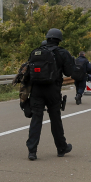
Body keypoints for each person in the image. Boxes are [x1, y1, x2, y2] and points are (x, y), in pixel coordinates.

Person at [25, 29, 75, 161]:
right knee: (55, 119)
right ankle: (61, 148)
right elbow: (69, 72)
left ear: (47, 38)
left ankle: (32, 151)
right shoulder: (62, 53)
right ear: (59, 40)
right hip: (53, 90)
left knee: (36, 119)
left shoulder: (36, 52)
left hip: (36, 90)